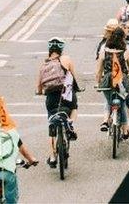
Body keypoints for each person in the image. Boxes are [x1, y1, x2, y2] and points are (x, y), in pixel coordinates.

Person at [0, 101, 38, 204]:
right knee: (11, 198)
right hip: (7, 172)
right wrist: (31, 160)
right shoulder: (11, 131)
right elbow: (23, 150)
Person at [36, 38, 79, 167]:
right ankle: (70, 124)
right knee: (74, 107)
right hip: (66, 95)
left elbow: (39, 86)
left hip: (51, 99)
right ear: (61, 49)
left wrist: (40, 92)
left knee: (52, 124)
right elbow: (73, 77)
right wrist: (76, 88)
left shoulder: (44, 65)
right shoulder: (67, 59)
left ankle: (53, 156)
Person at [95, 26, 129, 138]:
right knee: (123, 102)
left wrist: (98, 82)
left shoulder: (104, 49)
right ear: (123, 38)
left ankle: (105, 120)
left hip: (108, 79)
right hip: (121, 79)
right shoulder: (126, 50)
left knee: (109, 101)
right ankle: (125, 130)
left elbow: (99, 69)